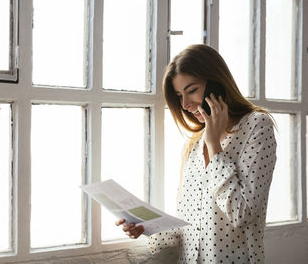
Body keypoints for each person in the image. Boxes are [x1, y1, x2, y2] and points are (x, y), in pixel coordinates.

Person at [115, 44, 277, 263]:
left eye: (192, 90)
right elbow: (189, 225)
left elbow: (242, 214)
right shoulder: (192, 145)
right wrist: (144, 227)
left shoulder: (257, 126)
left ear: (217, 84)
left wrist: (213, 145)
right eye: (179, 95)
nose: (185, 104)